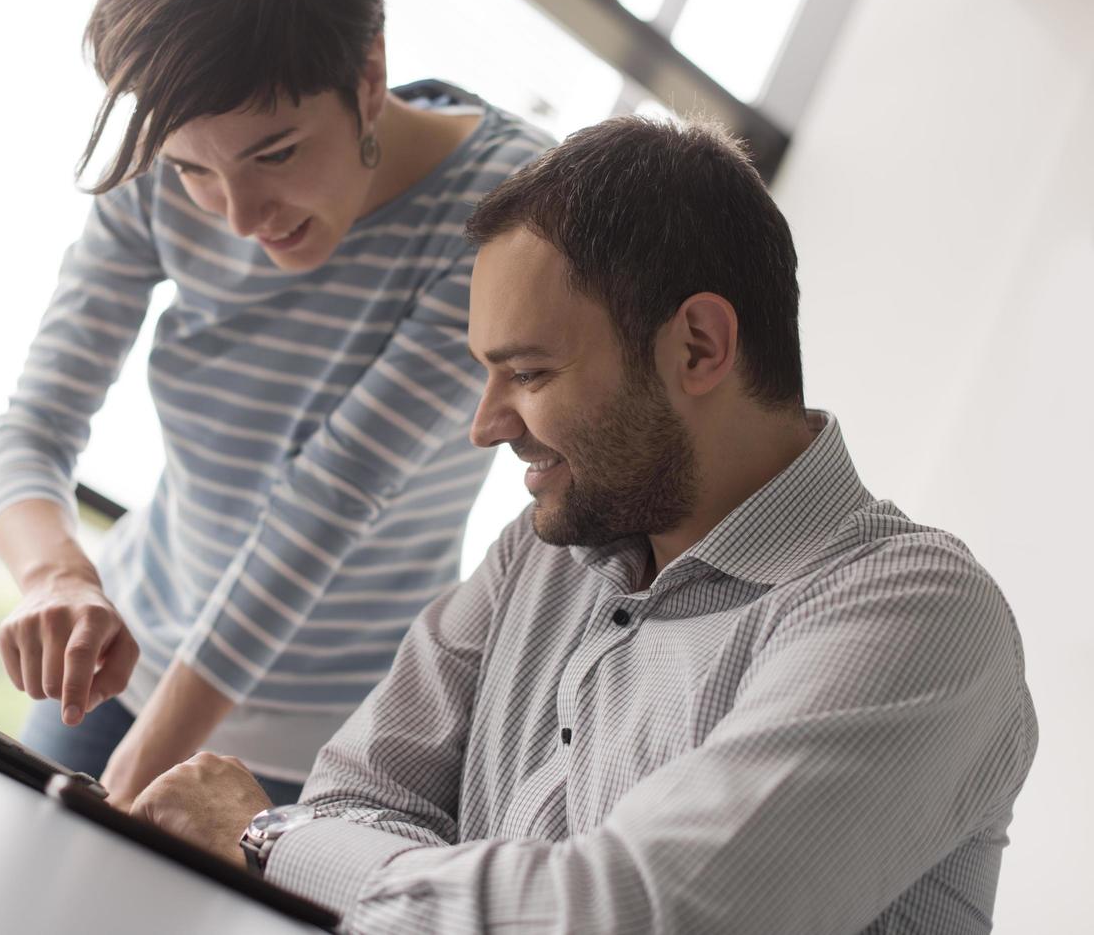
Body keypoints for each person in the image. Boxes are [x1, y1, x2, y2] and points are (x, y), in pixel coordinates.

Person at [126, 116, 1039, 933]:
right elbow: (355, 795)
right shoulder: (540, 553)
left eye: (526, 373)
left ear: (698, 346)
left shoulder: (916, 617)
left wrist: (269, 835)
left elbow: (623, 918)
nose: (485, 425)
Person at [0, 0, 553, 809]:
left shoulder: (508, 211)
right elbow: (36, 424)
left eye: (274, 154)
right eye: (194, 171)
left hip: (329, 741)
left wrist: (135, 781)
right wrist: (54, 576)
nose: (240, 218)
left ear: (368, 76)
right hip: (123, 667)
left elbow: (330, 499)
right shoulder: (159, 158)